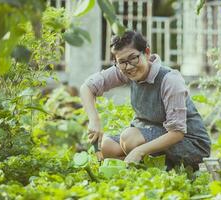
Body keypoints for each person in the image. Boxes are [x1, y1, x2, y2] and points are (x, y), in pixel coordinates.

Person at [80, 30, 211, 170]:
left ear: (147, 53)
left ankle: (162, 167)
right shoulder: (126, 70)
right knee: (107, 147)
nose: (129, 66)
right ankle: (148, 167)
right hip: (151, 134)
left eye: (133, 58)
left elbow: (177, 133)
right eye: (122, 62)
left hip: (189, 144)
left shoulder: (170, 80)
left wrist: (139, 151)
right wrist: (94, 120)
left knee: (129, 138)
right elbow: (87, 87)